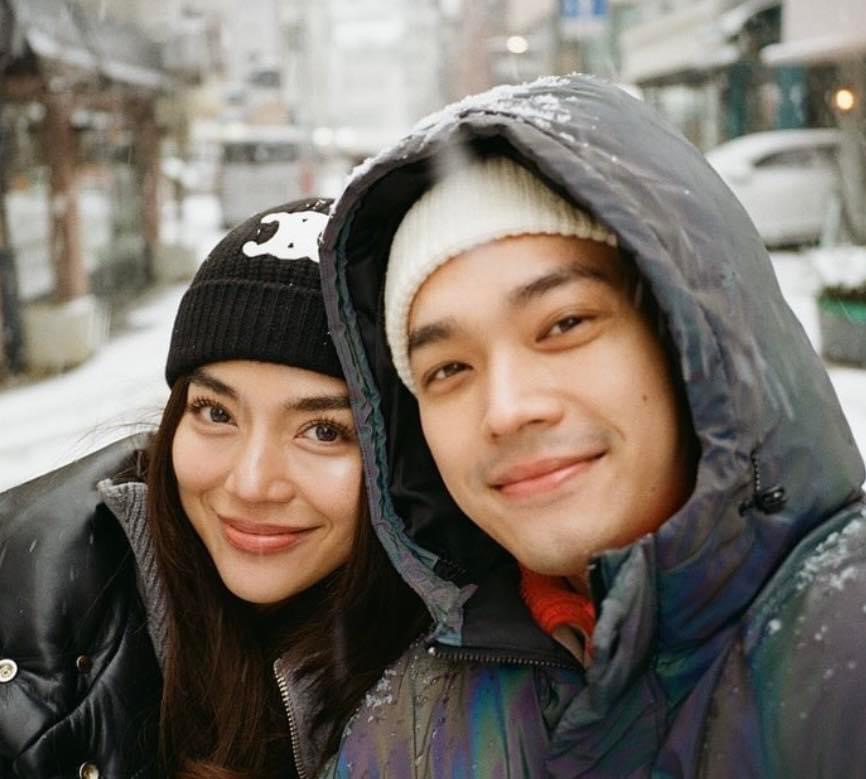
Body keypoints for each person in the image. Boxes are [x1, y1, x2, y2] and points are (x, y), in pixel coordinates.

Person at [319, 74, 866, 776]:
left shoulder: (843, 650)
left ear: (685, 335)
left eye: (565, 324)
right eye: (448, 368)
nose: (507, 409)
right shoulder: (411, 733)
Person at [0, 198, 428, 778]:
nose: (251, 483)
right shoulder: (22, 624)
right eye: (217, 413)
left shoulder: (494, 668)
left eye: (325, 431)